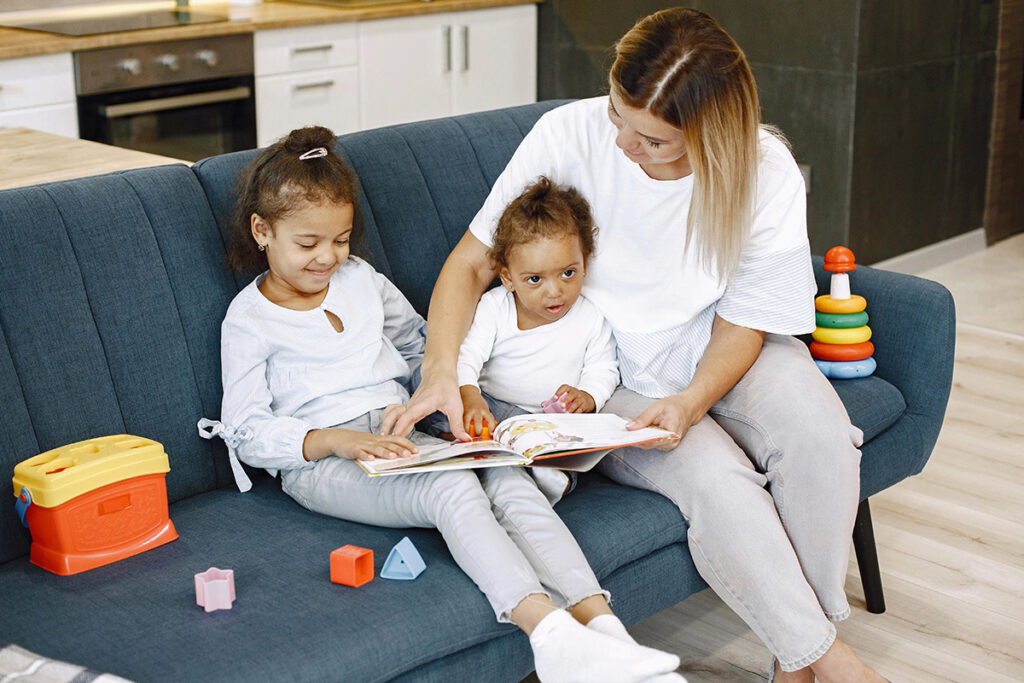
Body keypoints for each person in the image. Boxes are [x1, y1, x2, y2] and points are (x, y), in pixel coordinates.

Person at [385, 8, 887, 683]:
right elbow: (472, 262)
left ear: (711, 136)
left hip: (722, 347)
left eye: (652, 140)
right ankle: (828, 661)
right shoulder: (566, 133)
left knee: (822, 435)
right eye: (620, 115)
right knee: (716, 480)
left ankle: (795, 658)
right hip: (608, 366)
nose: (623, 142)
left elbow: (743, 324)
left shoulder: (764, 171)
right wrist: (441, 369)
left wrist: (691, 399)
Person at [197, 126, 685, 683]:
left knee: (504, 477)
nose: (328, 257)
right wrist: (333, 440)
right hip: (321, 461)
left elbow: (422, 349)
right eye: (308, 244)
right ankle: (550, 636)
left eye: (341, 239)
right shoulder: (249, 318)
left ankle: (605, 633)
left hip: (401, 435)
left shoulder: (362, 280)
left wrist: (448, 405)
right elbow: (246, 431)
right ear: (262, 230)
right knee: (450, 485)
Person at [437, 176, 619, 504]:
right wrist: (470, 396)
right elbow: (467, 356)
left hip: (544, 421)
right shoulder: (495, 307)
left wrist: (589, 396)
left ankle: (540, 473)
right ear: (507, 277)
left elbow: (604, 368)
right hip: (490, 402)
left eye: (568, 273)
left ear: (585, 263)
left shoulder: (591, 316)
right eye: (534, 279)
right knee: (443, 409)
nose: (555, 291)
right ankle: (467, 448)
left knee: (567, 451)